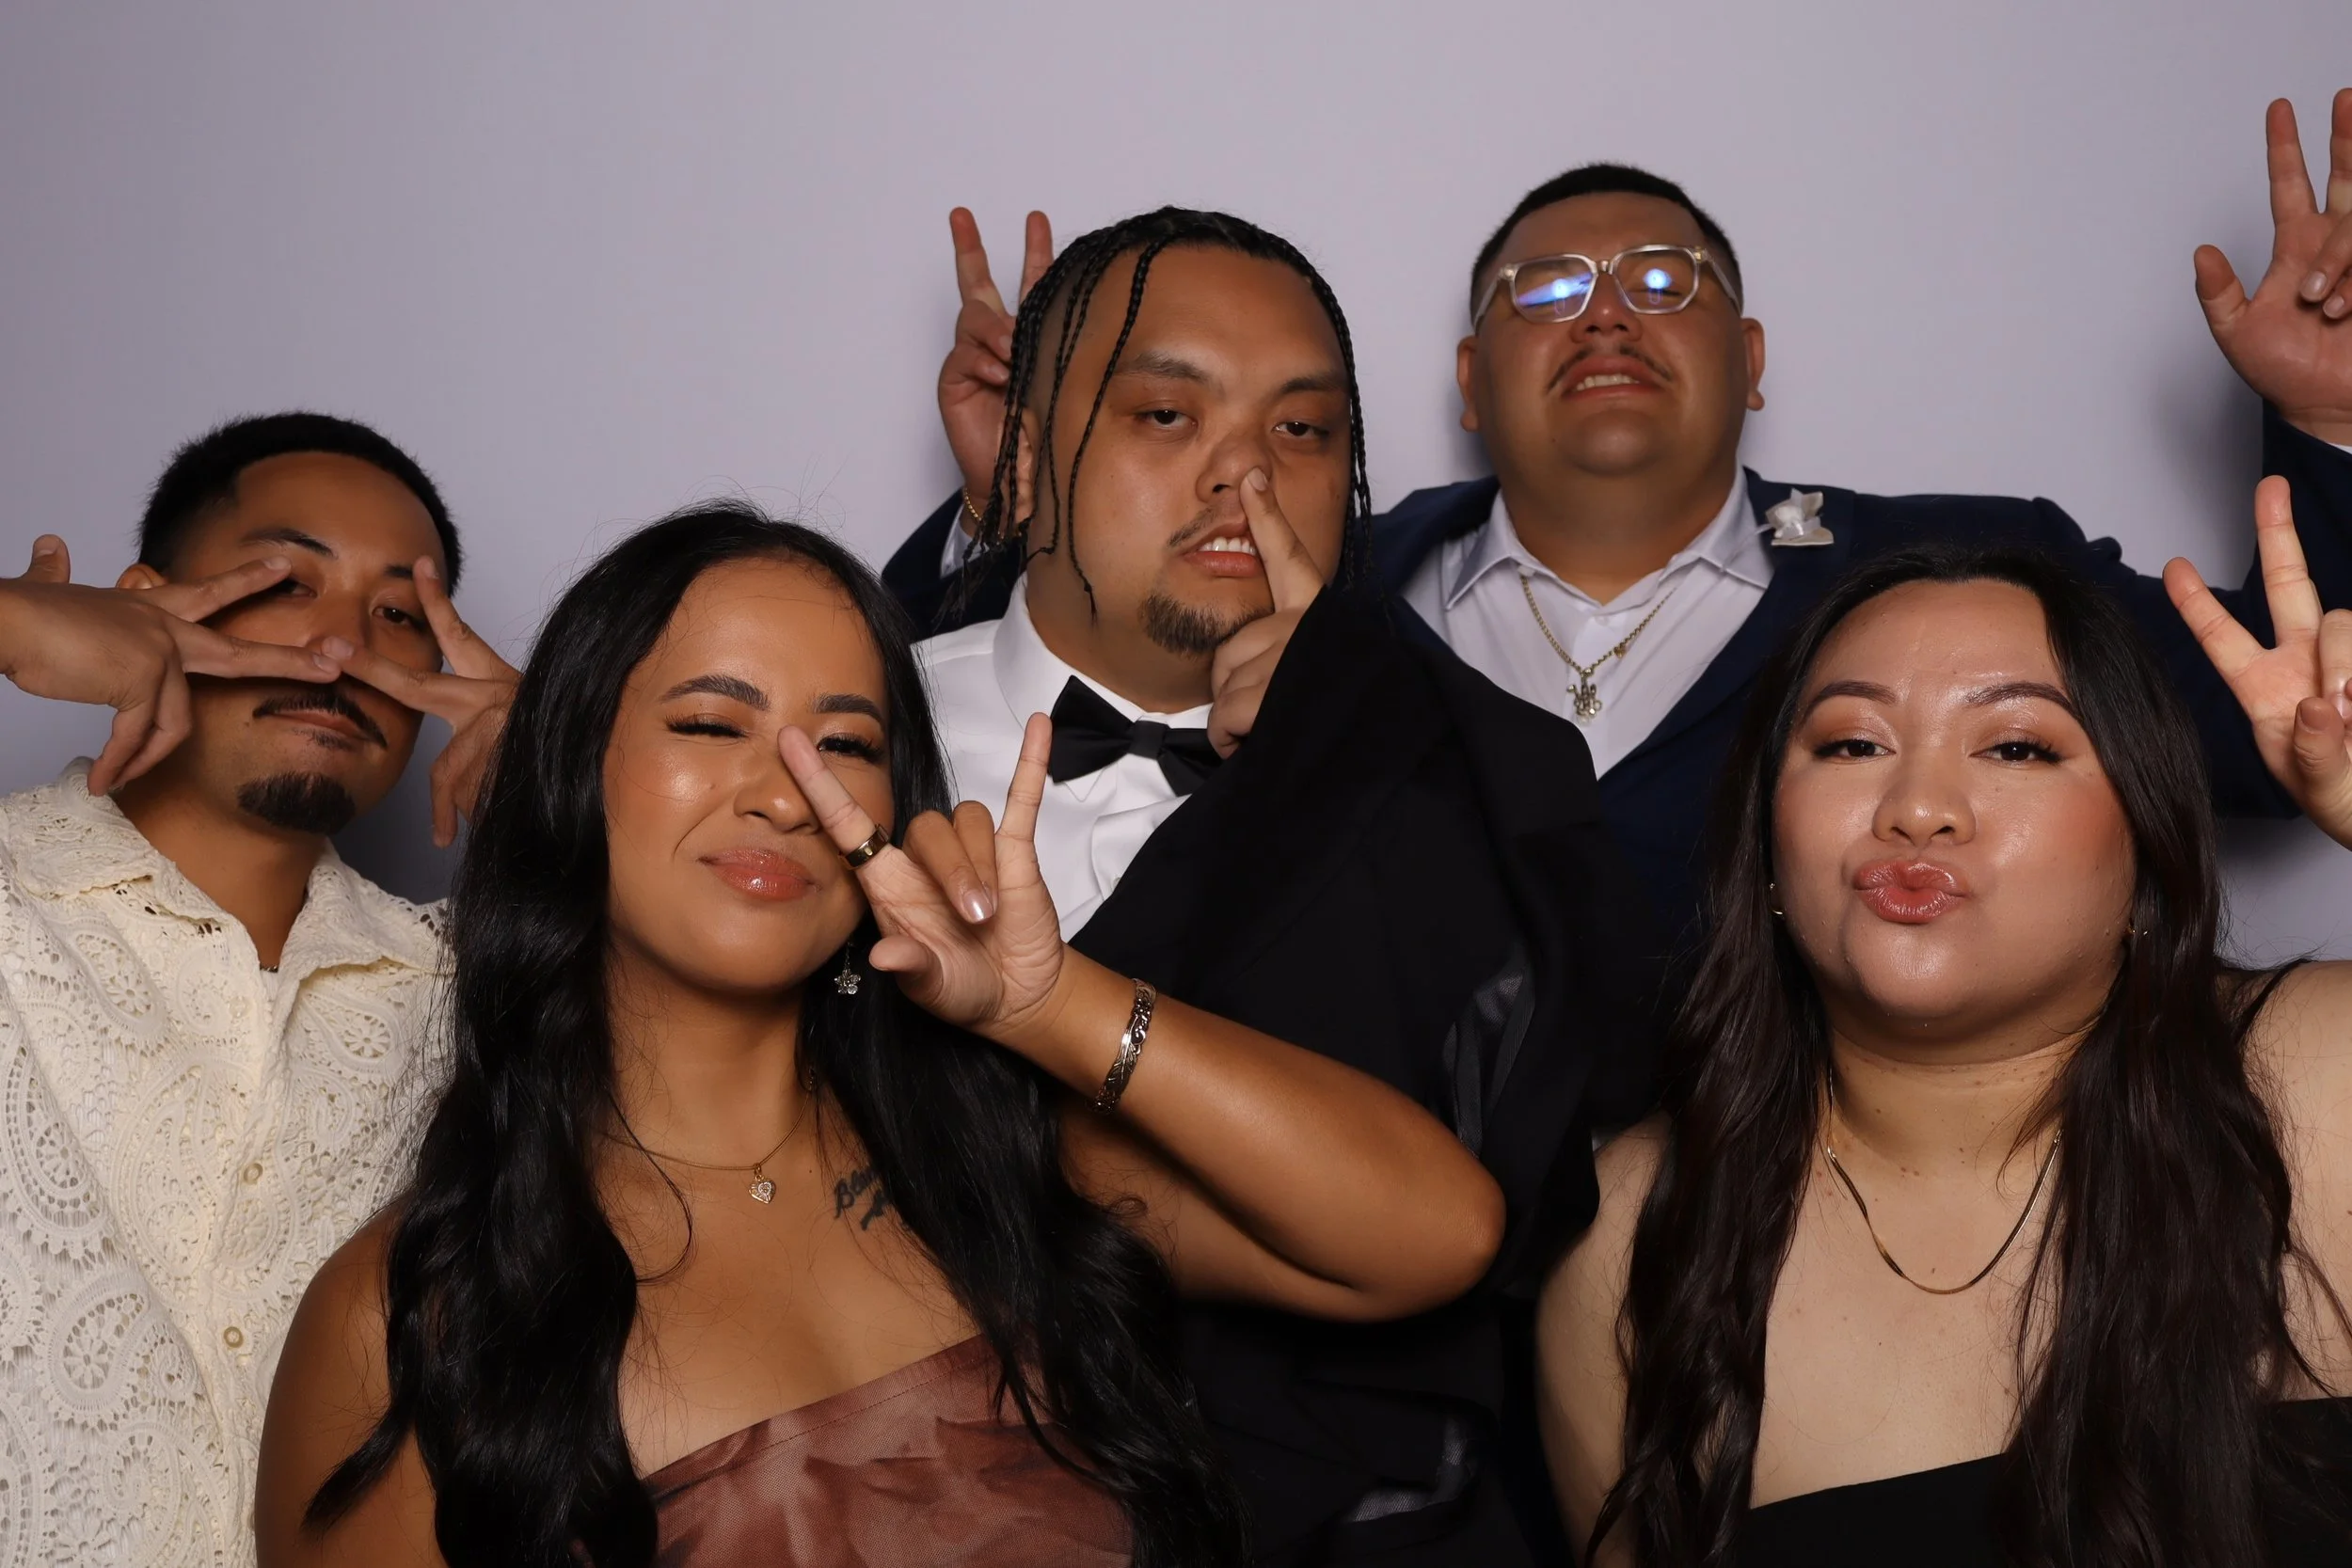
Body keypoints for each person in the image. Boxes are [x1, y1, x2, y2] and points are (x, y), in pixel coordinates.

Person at [251, 501, 1508, 1568]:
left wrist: (1047, 1000)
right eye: (709, 721)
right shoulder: (416, 1312)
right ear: (573, 765)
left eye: (841, 743)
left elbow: (1435, 1231)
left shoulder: (997, 1151)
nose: (783, 786)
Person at [887, 91, 2352, 955]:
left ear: (1755, 355)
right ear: (1466, 382)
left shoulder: (1962, 574)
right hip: (1395, 1361)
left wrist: (2334, 422)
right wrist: (1013, 504)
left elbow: (2287, 732)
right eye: (1541, 288)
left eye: (1665, 281)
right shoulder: (1299, 572)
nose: (1602, 312)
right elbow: (993, 701)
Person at [888, 205, 1650, 1564]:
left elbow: (1547, 1172)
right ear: (1025, 455)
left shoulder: (1464, 768)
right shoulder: (853, 727)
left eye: (1304, 431)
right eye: (1164, 415)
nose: (1243, 473)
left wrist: (1355, 721)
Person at [1535, 494, 2352, 1566]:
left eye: (2014, 745)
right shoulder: (1633, 1238)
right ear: (1766, 850)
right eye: (1851, 742)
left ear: (2150, 847)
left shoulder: (2317, 1073)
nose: (1917, 806)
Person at [0, 412, 513, 1567]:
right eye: (285, 582)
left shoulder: (470, 1004)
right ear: (138, 604)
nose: (339, 651)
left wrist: (580, 781)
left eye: (398, 616)